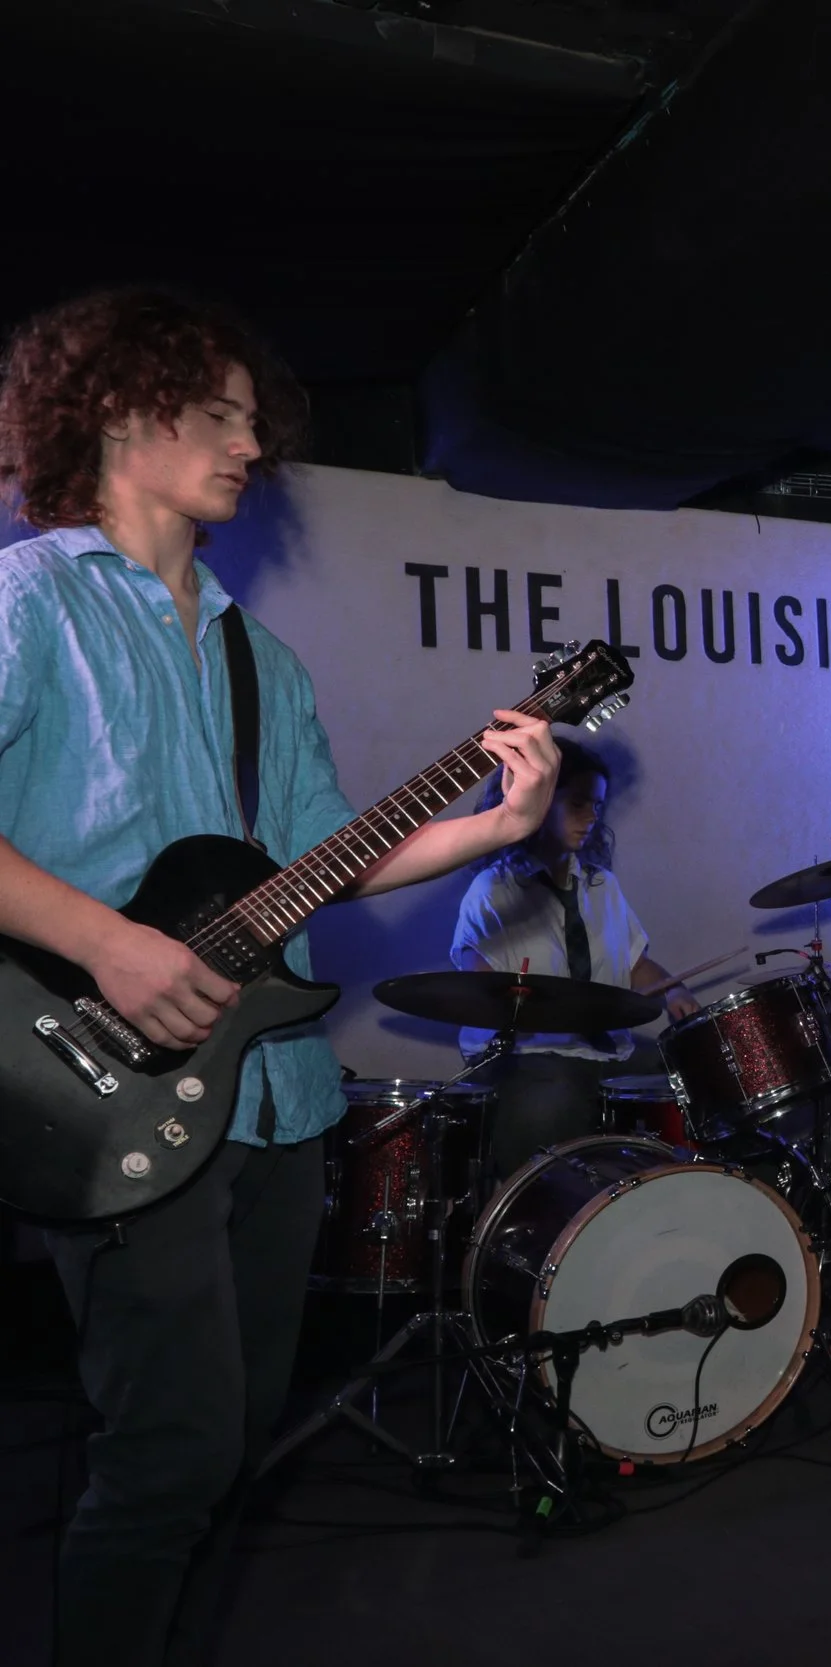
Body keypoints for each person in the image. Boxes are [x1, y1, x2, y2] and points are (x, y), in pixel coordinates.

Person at [0, 287, 558, 1667]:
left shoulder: (264, 658)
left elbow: (316, 861)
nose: (251, 445)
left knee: (237, 1436)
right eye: (219, 414)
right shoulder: (29, 603)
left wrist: (495, 826)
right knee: (172, 1450)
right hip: (98, 1085)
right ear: (117, 411)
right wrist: (108, 940)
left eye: (256, 421)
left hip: (273, 1094)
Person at [451, 738, 702, 1176]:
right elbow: (480, 986)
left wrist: (675, 991)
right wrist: (517, 1007)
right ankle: (542, 1204)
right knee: (555, 1096)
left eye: (598, 806)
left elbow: (635, 964)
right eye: (578, 803)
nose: (591, 817)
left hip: (606, 1052)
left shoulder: (602, 886)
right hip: (529, 1056)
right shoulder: (493, 889)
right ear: (539, 800)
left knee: (694, 1076)